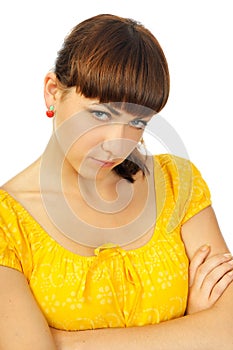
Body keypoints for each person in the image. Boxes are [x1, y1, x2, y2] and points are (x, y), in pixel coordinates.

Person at [0, 14, 233, 350]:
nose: (117, 144)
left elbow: (228, 332)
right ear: (53, 92)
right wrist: (191, 328)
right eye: (100, 114)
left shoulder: (178, 183)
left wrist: (64, 343)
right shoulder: (9, 224)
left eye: (137, 122)